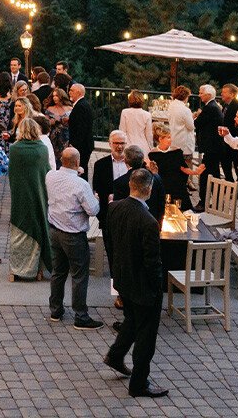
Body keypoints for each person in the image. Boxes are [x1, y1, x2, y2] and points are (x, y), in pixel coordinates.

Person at [103, 169, 168, 398]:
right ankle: (139, 384)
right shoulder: (149, 222)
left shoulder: (114, 208)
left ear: (131, 184)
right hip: (143, 286)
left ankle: (115, 355)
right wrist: (157, 288)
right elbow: (153, 262)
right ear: (149, 190)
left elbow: (111, 243)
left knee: (131, 320)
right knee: (146, 336)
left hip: (123, 279)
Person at [46, 147, 102, 329]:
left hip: (54, 230)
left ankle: (55, 310)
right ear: (78, 163)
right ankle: (81, 316)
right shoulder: (81, 185)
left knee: (58, 271)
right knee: (79, 275)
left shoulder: (50, 176)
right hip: (73, 234)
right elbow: (93, 210)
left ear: (62, 160)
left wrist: (75, 171)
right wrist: (96, 198)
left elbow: (66, 177)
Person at [7, 117, 52, 281]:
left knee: (19, 232)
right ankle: (36, 270)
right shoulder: (42, 149)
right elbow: (46, 171)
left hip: (20, 195)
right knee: (38, 227)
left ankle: (16, 269)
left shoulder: (15, 149)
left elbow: (12, 173)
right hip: (38, 194)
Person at [92, 130, 130, 307]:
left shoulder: (133, 164)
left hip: (129, 214)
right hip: (109, 216)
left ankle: (126, 292)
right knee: (113, 254)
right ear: (110, 144)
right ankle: (119, 294)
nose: (119, 146)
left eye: (122, 143)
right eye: (116, 143)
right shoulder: (100, 165)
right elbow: (98, 190)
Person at [194, 85, 230, 207]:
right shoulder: (213, 107)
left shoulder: (210, 108)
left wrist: (196, 116)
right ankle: (217, 202)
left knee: (205, 174)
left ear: (208, 95)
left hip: (212, 148)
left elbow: (197, 123)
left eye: (201, 93)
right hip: (215, 147)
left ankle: (204, 202)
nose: (199, 95)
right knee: (214, 175)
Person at [114, 145, 166, 218]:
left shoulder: (119, 182)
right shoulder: (156, 178)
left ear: (125, 160)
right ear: (142, 159)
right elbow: (161, 204)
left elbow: (118, 210)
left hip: (130, 225)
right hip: (152, 223)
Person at [148, 125, 191, 211]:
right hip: (162, 191)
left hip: (179, 190)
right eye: (168, 137)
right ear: (160, 139)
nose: (171, 140)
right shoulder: (152, 155)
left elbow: (185, 170)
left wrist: (181, 184)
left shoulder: (177, 152)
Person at [221, 82, 238, 177]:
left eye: (224, 92)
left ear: (232, 94)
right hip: (226, 139)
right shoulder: (226, 105)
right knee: (225, 163)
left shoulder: (237, 106)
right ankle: (229, 183)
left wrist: (227, 131)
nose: (222, 94)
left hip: (234, 139)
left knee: (236, 164)